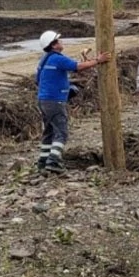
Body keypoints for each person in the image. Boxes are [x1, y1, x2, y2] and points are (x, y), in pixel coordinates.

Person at [36, 29, 109, 173]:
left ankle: (43, 162)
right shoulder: (58, 58)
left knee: (49, 131)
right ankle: (53, 161)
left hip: (43, 100)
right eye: (58, 41)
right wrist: (98, 60)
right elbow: (78, 67)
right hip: (54, 101)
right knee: (61, 132)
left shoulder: (44, 60)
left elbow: (38, 80)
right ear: (53, 45)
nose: (61, 42)